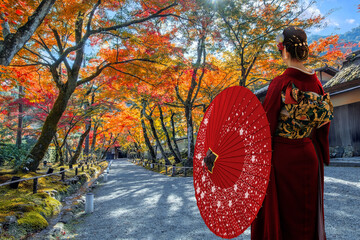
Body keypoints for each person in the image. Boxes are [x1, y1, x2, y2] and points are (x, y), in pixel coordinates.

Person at [251, 26, 333, 240]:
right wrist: (322, 153)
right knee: (307, 213)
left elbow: (265, 126)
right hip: (308, 153)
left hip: (283, 158)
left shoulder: (281, 82)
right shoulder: (317, 83)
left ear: (285, 51)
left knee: (283, 218)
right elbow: (323, 126)